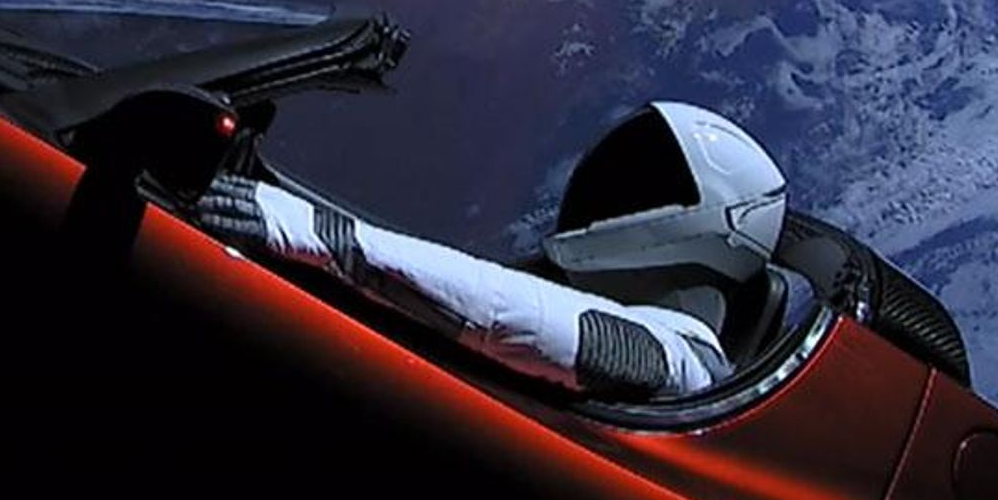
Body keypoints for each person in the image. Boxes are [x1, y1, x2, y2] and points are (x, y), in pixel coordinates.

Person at [195, 101, 787, 401]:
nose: (604, 197)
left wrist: (319, 233)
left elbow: (528, 321)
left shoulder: (688, 369)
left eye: (639, 183)